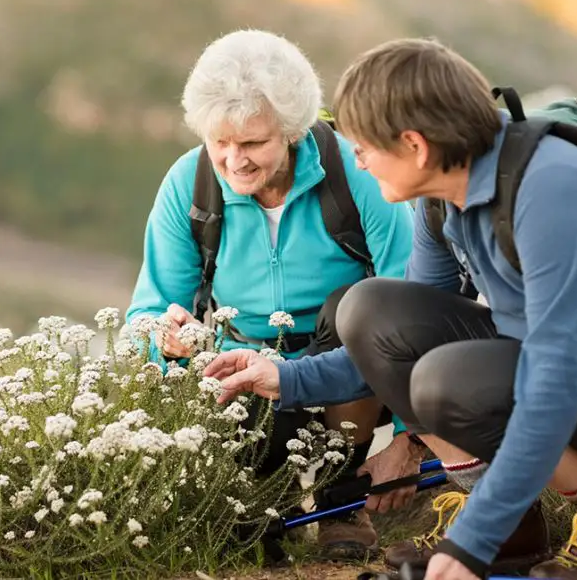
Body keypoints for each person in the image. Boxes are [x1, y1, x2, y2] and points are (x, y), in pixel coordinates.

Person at [203, 37, 577, 580]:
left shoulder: (553, 192)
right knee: (371, 310)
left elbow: (555, 381)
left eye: (361, 146)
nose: (353, 158)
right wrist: (286, 378)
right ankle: (514, 533)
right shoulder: (440, 198)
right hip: (569, 374)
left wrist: (470, 544)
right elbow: (396, 341)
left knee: (450, 378)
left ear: (415, 145)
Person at [124, 29, 420, 560]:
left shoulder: (360, 174)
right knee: (247, 544)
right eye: (220, 142)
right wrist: (165, 340)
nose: (234, 160)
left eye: (253, 143)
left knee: (355, 307)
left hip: (353, 371)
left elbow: (416, 308)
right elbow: (148, 308)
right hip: (244, 371)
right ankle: (263, 497)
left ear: (292, 131)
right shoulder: (186, 186)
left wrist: (409, 438)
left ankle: (342, 497)